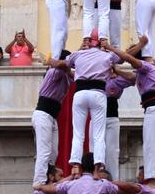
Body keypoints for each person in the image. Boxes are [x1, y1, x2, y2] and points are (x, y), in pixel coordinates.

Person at [45, 34, 114, 170]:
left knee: (78, 134)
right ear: (100, 43)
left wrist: (49, 60)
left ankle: (76, 166)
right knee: (98, 134)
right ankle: (97, 169)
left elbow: (62, 64)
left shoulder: (78, 55)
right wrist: (109, 47)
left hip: (80, 94)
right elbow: (124, 57)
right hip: (97, 93)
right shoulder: (107, 55)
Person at [116, 35, 155, 185]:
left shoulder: (146, 66)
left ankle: (152, 178)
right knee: (153, 143)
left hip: (154, 109)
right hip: (154, 109)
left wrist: (112, 48)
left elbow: (127, 58)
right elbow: (128, 75)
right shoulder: (141, 73)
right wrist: (115, 69)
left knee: (150, 144)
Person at [32, 51, 73, 187]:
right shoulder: (54, 72)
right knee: (44, 151)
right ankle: (39, 181)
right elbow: (62, 67)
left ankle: (49, 176)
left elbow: (76, 76)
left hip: (52, 117)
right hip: (43, 114)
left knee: (53, 152)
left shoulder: (66, 75)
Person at [104, 65, 136, 181]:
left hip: (112, 115)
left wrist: (118, 70)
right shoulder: (96, 77)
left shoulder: (117, 79)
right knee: (96, 149)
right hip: (97, 116)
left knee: (112, 151)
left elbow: (133, 78)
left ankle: (113, 180)